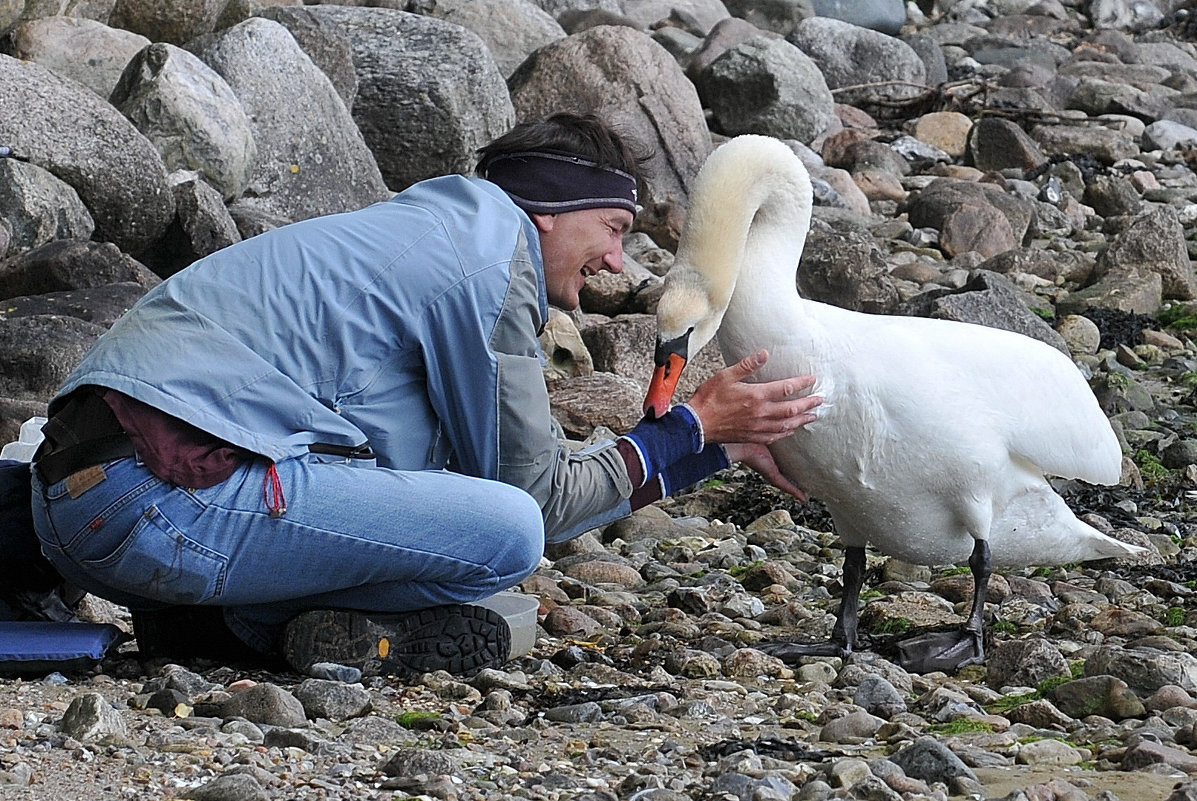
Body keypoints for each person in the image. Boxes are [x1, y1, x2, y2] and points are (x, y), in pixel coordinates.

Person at [30, 113, 821, 678]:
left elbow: (411, 485)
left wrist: (700, 447)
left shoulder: (409, 241)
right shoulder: (486, 260)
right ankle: (247, 625)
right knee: (506, 534)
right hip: (161, 508)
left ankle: (206, 616)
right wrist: (685, 432)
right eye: (614, 227)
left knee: (451, 501)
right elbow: (531, 499)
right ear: (547, 211)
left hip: (70, 509)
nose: (617, 261)